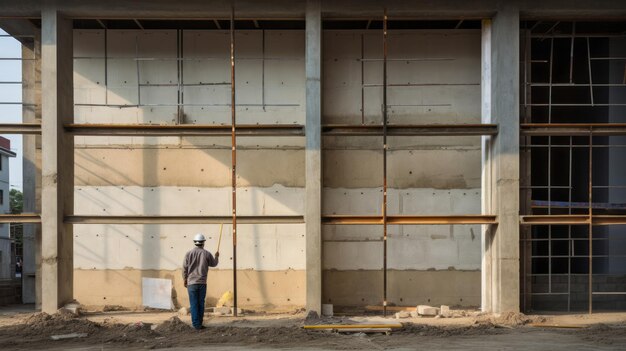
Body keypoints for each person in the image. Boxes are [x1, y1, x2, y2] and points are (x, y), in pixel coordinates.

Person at [182, 233, 219, 330]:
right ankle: (199, 323)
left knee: (193, 304)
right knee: (201, 303)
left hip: (191, 283)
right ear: (203, 242)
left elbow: (184, 268)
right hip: (202, 283)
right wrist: (216, 256)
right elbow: (214, 264)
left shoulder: (188, 253)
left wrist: (185, 279)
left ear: (194, 242)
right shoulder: (206, 253)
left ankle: (196, 324)